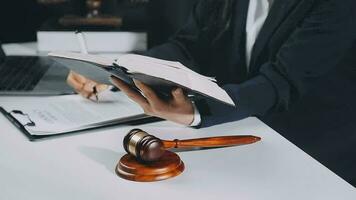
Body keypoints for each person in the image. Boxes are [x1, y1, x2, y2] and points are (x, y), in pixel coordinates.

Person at [67, 0, 356, 185]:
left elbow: (281, 81)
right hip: (250, 127)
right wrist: (117, 68)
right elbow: (188, 46)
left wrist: (195, 112)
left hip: (316, 150)